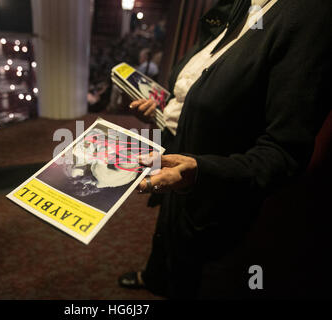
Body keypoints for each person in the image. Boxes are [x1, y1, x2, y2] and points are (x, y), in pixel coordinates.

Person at [118, 0, 332, 299]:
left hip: (216, 182)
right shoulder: (240, 7)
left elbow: (284, 152)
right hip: (176, 149)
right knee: (166, 227)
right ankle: (155, 278)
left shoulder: (309, 15)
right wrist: (160, 110)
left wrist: (202, 171)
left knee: (193, 262)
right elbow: (197, 95)